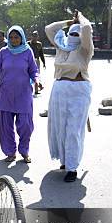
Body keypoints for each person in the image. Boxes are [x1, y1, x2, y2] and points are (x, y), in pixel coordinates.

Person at [45, 10, 94, 183]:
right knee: (60, 128)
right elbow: (49, 28)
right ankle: (65, 161)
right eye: (71, 33)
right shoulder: (61, 45)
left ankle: (72, 168)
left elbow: (87, 28)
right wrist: (69, 21)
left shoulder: (85, 49)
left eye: (76, 33)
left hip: (79, 91)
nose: (74, 35)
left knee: (74, 130)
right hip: (59, 90)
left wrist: (80, 17)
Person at [0, 26, 41, 164]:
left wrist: (37, 80)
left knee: (26, 125)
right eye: (11, 37)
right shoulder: (4, 52)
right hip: (5, 94)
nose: (14, 40)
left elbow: (34, 70)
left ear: (21, 38)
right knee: (6, 127)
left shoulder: (27, 52)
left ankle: (24, 150)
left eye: (16, 37)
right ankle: (10, 152)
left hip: (23, 94)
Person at [27, 31, 46, 95]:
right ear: (31, 36)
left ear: (38, 37)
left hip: (36, 61)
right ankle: (27, 89)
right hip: (28, 61)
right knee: (27, 75)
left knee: (36, 74)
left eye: (36, 36)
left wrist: (44, 63)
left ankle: (36, 90)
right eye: (33, 36)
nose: (35, 37)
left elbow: (41, 54)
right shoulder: (28, 44)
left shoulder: (39, 44)